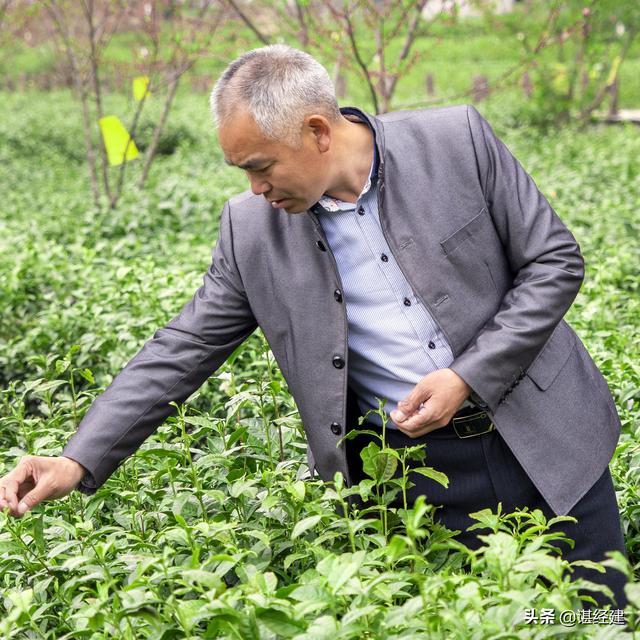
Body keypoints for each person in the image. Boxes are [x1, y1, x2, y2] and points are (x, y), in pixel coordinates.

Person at [0, 45, 629, 608]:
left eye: (261, 165)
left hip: (545, 445)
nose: (255, 188)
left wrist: (467, 376)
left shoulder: (456, 141)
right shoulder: (251, 229)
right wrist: (77, 460)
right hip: (406, 479)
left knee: (587, 615)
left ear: (318, 131)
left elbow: (553, 261)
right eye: (242, 172)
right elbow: (182, 346)